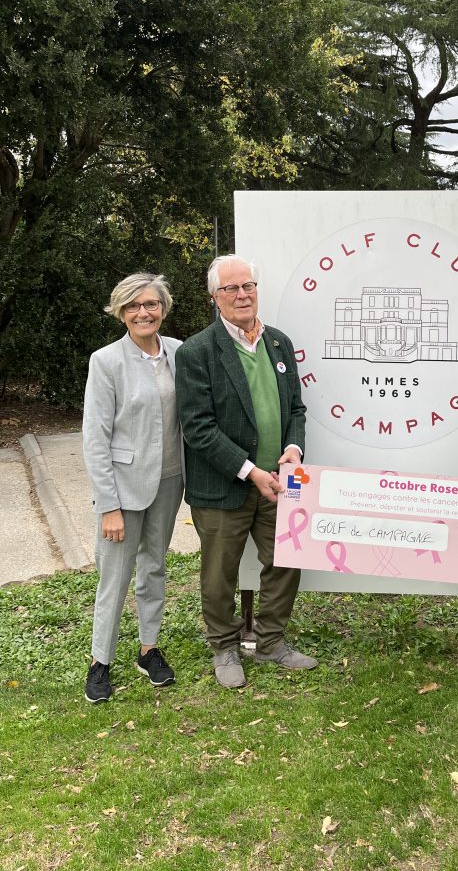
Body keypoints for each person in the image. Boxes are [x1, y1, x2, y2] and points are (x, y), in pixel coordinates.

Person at [174, 255, 316, 689]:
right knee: (220, 572)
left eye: (248, 286)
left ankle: (272, 641)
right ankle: (224, 646)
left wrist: (293, 450)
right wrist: (251, 471)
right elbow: (198, 427)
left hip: (280, 482)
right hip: (223, 486)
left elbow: (295, 407)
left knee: (286, 562)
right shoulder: (198, 351)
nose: (242, 295)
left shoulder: (279, 343)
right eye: (231, 289)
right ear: (215, 297)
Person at [82, 273, 184, 703]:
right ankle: (100, 661)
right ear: (121, 312)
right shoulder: (106, 361)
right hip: (123, 490)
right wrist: (108, 505)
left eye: (151, 304)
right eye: (133, 306)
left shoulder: (180, 352)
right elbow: (95, 437)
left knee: (154, 568)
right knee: (115, 577)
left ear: (163, 308)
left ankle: (148, 649)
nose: (143, 312)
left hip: (170, 482)